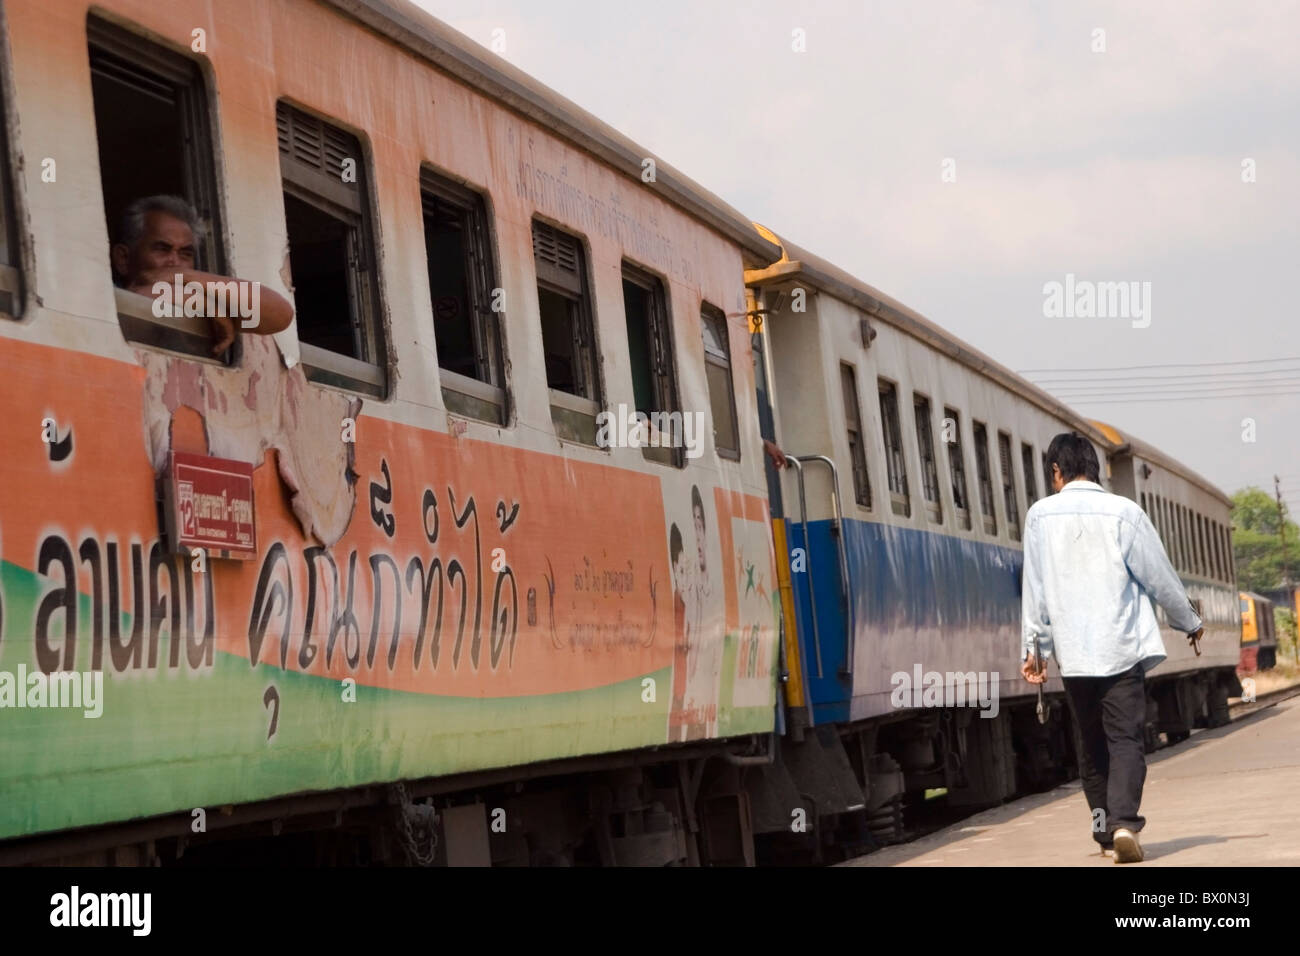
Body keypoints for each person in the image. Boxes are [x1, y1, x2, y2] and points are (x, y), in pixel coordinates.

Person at [1021, 432, 1204, 864]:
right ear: (1096, 470)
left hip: (1075, 655)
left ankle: (1105, 833)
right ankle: (1124, 822)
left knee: (1090, 743)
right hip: (1121, 649)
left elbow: (1036, 589)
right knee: (1124, 740)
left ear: (1056, 472)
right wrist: (1189, 622)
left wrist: (1035, 649)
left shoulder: (1039, 517)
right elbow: (1159, 576)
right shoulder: (1125, 512)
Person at [111, 195, 294, 355]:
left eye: (185, 254)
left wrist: (185, 280)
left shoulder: (197, 292)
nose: (174, 262)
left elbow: (280, 315)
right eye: (162, 249)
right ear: (123, 259)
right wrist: (197, 300)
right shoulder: (102, 295)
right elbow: (130, 303)